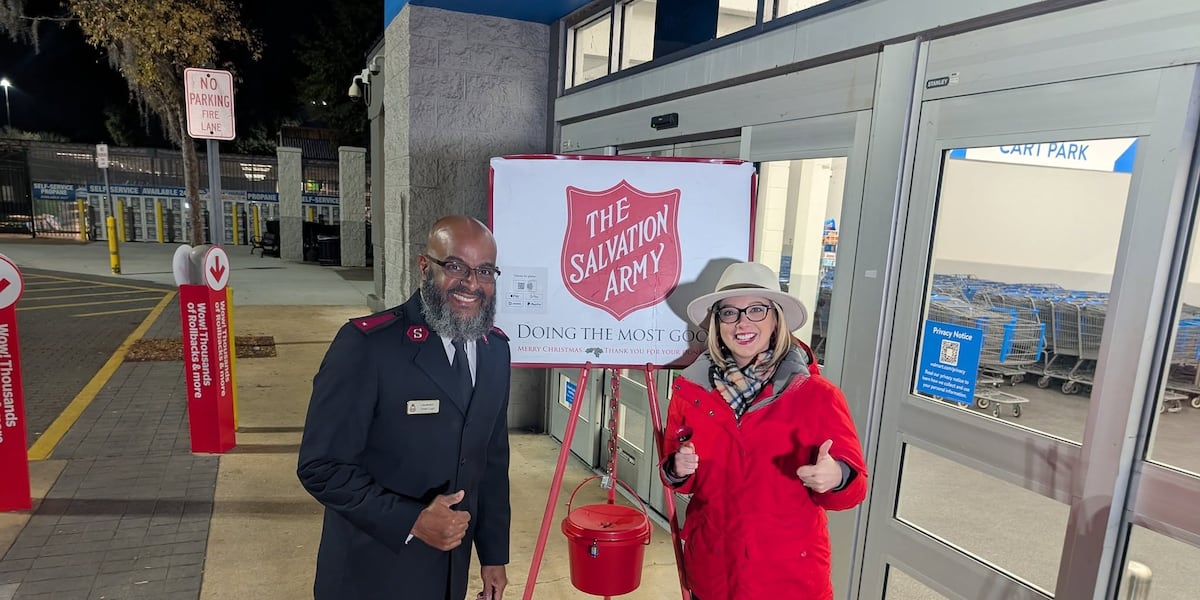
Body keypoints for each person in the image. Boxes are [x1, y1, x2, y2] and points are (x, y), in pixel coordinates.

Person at [298, 215, 511, 600]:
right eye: (456, 266)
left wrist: (493, 555)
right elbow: (321, 466)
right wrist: (412, 520)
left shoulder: (494, 351)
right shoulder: (368, 346)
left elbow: (491, 462)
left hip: (449, 573)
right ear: (424, 266)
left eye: (485, 271)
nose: (471, 283)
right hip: (371, 574)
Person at [661, 261, 868, 600]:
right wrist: (676, 468)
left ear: (776, 319)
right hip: (713, 574)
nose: (742, 322)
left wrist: (837, 476)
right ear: (717, 323)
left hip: (789, 581)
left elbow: (855, 488)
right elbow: (675, 473)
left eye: (756, 310)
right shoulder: (690, 391)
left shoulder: (818, 396)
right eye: (729, 313)